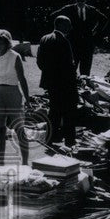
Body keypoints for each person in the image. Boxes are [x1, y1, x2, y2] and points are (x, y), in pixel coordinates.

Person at [0, 29, 31, 165]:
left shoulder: (15, 56)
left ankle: (25, 163)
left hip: (13, 92)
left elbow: (22, 79)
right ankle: (1, 164)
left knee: (19, 128)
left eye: (0, 43)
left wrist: (28, 99)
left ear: (7, 43)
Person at [36, 15, 78, 147]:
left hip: (50, 81)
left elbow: (39, 61)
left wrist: (49, 74)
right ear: (60, 25)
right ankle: (70, 140)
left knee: (54, 110)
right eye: (68, 25)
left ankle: (50, 138)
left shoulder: (44, 38)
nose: (70, 28)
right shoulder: (63, 41)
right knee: (69, 110)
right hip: (65, 83)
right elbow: (69, 65)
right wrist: (74, 80)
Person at [54, 0, 107, 76]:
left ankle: (85, 87)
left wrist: (95, 31)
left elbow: (104, 19)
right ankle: (70, 87)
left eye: (82, 0)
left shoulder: (91, 10)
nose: (80, 2)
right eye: (77, 0)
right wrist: (61, 32)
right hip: (72, 43)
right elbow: (53, 17)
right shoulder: (69, 9)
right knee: (71, 67)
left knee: (86, 69)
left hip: (87, 44)